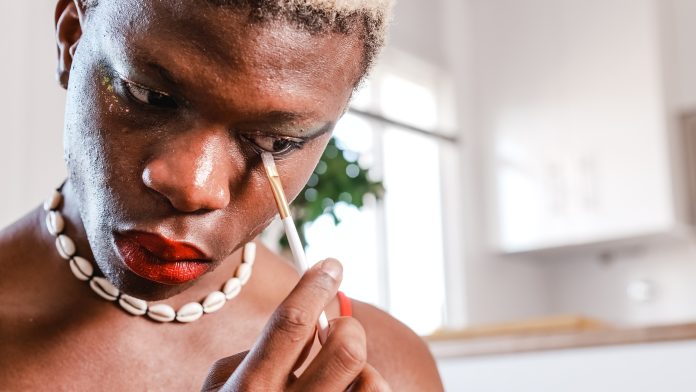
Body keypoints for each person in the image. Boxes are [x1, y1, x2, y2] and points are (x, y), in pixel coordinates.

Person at [0, 0, 444, 390]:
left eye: (275, 141)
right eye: (150, 95)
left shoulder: (384, 369)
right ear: (71, 37)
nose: (194, 187)